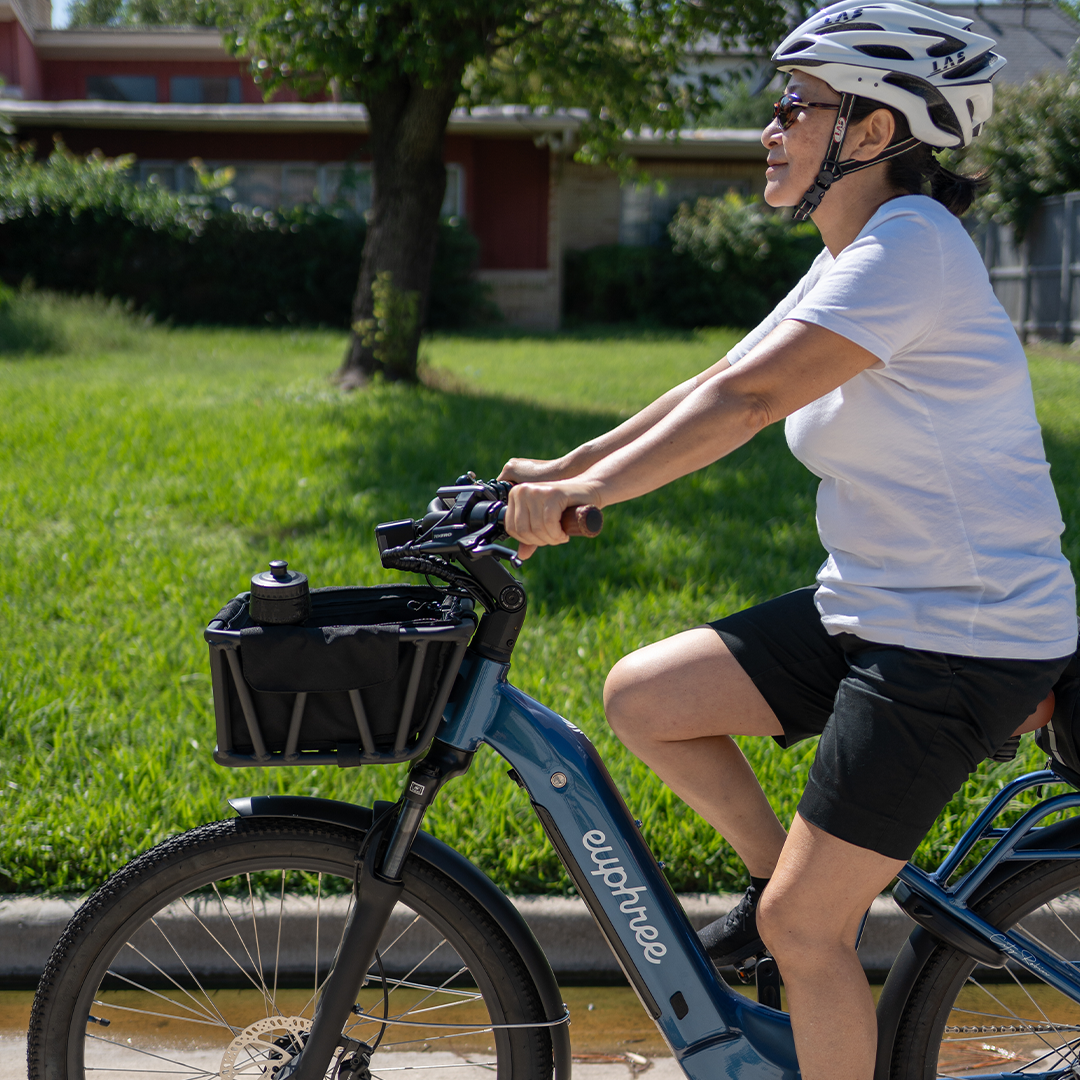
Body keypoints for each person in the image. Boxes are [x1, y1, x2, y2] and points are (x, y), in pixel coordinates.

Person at [499, 2, 1078, 1078]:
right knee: (644, 699)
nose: (771, 127)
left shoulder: (911, 252)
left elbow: (753, 402)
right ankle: (792, 893)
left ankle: (807, 927)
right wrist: (564, 471)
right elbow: (714, 381)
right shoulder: (858, 249)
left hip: (959, 634)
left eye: (797, 106)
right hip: (877, 604)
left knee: (807, 937)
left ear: (871, 132)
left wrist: (595, 499)